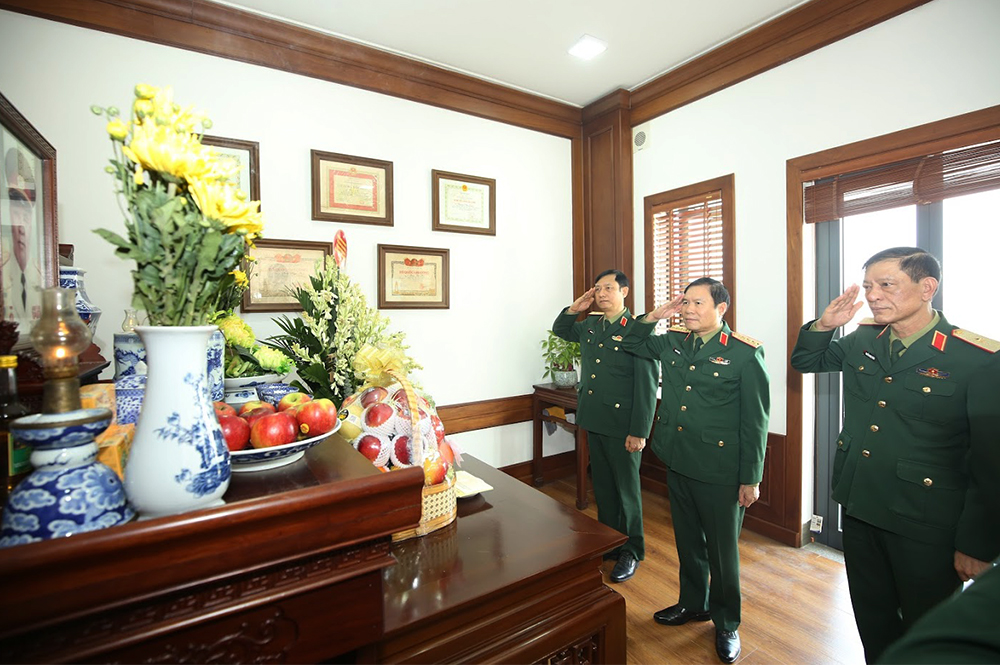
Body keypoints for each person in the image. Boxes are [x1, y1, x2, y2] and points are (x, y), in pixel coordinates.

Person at [791, 246, 1000, 663]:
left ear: (927, 288)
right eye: (868, 285)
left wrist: (977, 545)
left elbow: (990, 464)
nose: (873, 295)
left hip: (926, 523)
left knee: (928, 633)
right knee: (874, 619)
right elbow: (806, 360)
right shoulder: (862, 339)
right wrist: (825, 325)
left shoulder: (975, 359)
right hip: (860, 505)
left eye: (887, 285)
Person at [621, 277, 769, 664]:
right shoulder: (673, 341)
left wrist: (751, 478)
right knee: (687, 542)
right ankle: (693, 603)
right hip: (678, 459)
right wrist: (655, 315)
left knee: (722, 551)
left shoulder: (743, 353)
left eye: (697, 303)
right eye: (685, 302)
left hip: (720, 469)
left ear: (721, 309)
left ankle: (726, 621)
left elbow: (756, 422)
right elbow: (631, 342)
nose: (688, 309)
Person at [552, 269, 658, 583]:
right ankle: (611, 542)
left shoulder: (637, 329)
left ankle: (632, 550)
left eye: (608, 288)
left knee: (627, 491)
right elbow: (561, 329)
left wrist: (639, 431)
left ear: (624, 291)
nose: (601, 294)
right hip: (595, 418)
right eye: (598, 289)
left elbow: (646, 386)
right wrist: (576, 307)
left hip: (623, 424)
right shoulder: (591, 326)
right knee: (604, 487)